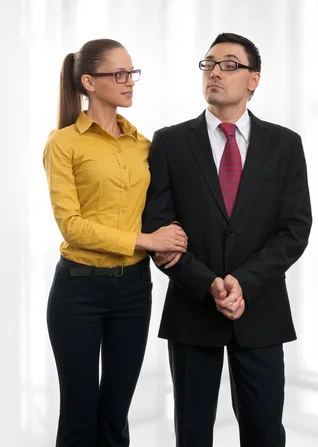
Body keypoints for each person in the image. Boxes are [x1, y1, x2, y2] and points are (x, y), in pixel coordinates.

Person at [142, 32, 312, 446]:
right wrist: (209, 284)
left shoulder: (285, 144)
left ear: (254, 79)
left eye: (229, 64)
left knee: (265, 433)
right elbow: (158, 229)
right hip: (192, 306)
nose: (215, 71)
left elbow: (295, 229)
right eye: (209, 63)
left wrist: (244, 283)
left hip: (260, 308)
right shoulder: (170, 142)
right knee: (193, 433)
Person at [43, 38, 188, 447]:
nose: (129, 82)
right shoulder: (64, 143)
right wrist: (146, 239)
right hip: (78, 290)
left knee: (116, 415)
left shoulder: (144, 146)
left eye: (132, 73)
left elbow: (161, 208)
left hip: (133, 291)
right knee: (79, 412)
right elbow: (72, 226)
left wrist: (171, 236)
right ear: (89, 82)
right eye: (118, 74)